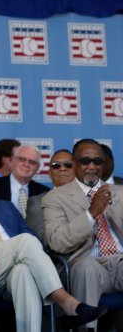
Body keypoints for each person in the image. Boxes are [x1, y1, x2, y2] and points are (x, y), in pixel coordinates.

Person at [0, 156, 107, 332]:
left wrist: (13, 250)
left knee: (22, 272)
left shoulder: (4, 206)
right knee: (25, 241)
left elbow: (30, 234)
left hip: (13, 264)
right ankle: (65, 301)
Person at [43, 138, 123, 330]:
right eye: (85, 161)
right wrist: (91, 213)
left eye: (98, 161)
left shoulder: (120, 193)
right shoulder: (55, 198)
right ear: (74, 162)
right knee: (86, 267)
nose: (92, 166)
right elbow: (57, 242)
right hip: (87, 265)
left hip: (120, 262)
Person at [0, 144, 49, 218]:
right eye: (22, 159)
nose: (26, 164)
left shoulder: (45, 193)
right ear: (12, 161)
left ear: (37, 167)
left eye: (32, 162)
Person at [25, 149, 74, 244]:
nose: (62, 168)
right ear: (50, 174)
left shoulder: (89, 197)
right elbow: (42, 241)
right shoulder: (36, 202)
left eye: (68, 165)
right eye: (56, 165)